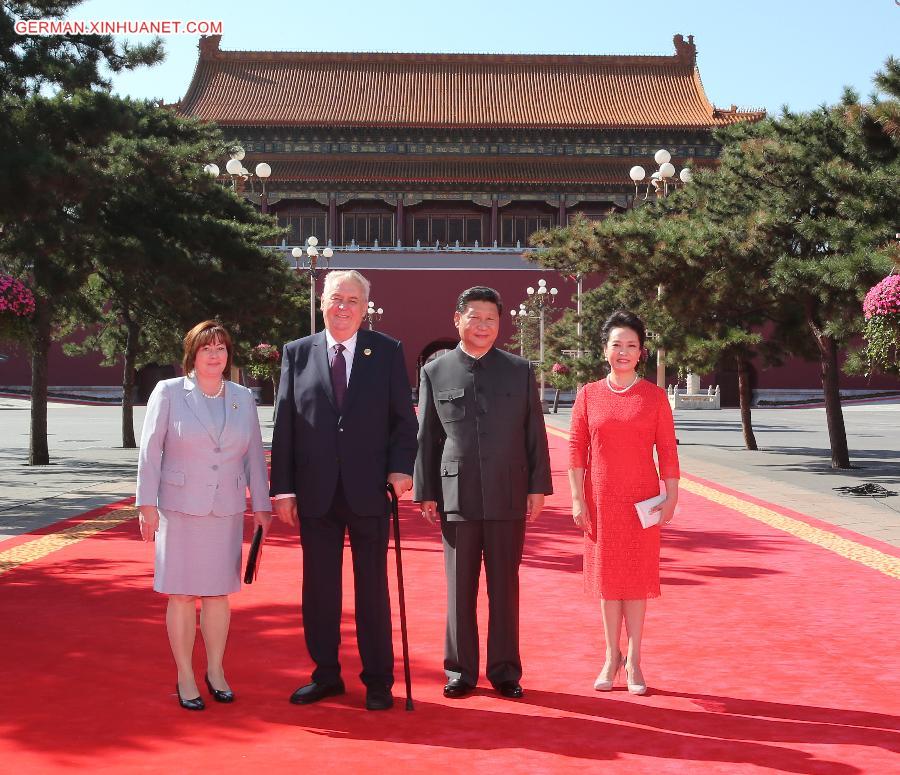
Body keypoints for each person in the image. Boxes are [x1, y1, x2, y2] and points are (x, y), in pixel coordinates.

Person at [270, 269, 417, 712]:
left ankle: (378, 680)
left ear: (365, 307)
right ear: (321, 303)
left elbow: (403, 421)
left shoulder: (386, 351)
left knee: (372, 590)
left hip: (369, 490)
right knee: (320, 591)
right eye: (336, 298)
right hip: (315, 492)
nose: (343, 307)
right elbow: (285, 426)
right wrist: (283, 490)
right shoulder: (297, 353)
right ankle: (326, 675)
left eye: (353, 300)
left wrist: (399, 469)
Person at [414, 286, 552, 700]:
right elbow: (427, 437)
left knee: (504, 588)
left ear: (500, 324)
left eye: (491, 318)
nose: (483, 326)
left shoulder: (518, 370)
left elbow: (534, 433)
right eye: (475, 317)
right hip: (457, 494)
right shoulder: (435, 372)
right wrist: (426, 490)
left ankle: (505, 670)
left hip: (509, 491)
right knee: (460, 589)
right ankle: (460, 670)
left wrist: (538, 488)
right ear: (458, 320)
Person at [136, 320, 272, 711]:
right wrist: (146, 504)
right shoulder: (170, 392)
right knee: (180, 594)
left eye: (221, 348)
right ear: (192, 355)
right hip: (178, 509)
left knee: (217, 594)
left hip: (225, 510)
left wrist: (260, 504)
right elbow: (151, 451)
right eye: (206, 348)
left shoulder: (242, 397)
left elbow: (253, 456)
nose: (215, 355)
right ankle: (184, 674)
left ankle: (215, 670)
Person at [567, 310, 680, 696]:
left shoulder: (654, 397)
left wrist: (672, 494)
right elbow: (575, 450)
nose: (623, 352)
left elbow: (666, 449)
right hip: (600, 499)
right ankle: (610, 656)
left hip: (642, 500)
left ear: (641, 352)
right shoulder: (588, 395)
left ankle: (634, 659)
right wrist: (578, 499)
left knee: (636, 581)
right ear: (605, 350)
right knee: (608, 582)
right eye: (617, 345)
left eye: (631, 345)